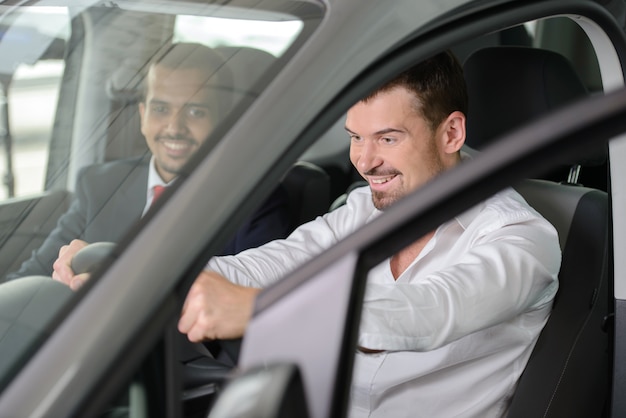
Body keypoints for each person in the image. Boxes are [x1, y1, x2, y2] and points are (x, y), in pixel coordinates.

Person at [56, 51, 561, 417]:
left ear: (451, 133)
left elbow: (429, 312)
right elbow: (268, 262)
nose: (364, 162)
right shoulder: (365, 209)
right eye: (355, 138)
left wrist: (259, 307)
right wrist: (127, 272)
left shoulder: (520, 238)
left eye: (388, 138)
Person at [6, 42, 291, 287]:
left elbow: (253, 308)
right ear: (142, 115)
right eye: (161, 109)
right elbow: (30, 279)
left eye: (195, 111)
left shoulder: (254, 201)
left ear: (222, 119)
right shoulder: (99, 185)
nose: (174, 128)